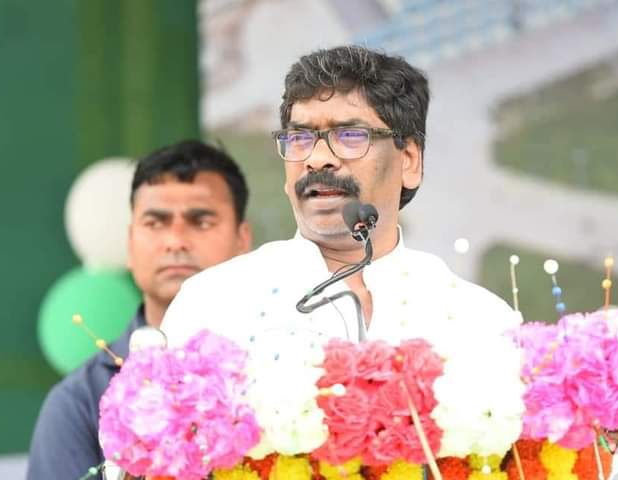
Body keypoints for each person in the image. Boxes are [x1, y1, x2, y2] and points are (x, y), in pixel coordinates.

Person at [161, 46, 517, 351]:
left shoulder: (477, 322)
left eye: (349, 135)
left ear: (409, 160)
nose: (317, 159)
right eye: (299, 138)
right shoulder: (213, 305)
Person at [26, 140, 252, 480]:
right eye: (155, 222)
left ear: (242, 241)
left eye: (201, 221)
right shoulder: (80, 402)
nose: (175, 240)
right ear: (130, 243)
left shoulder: (284, 374)